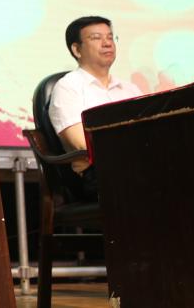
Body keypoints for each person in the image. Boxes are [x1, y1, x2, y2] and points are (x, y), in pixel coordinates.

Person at [48, 15, 141, 201]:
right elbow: (81, 143)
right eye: (97, 38)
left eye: (110, 37)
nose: (107, 43)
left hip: (137, 166)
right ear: (77, 49)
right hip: (97, 175)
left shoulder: (131, 89)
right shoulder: (68, 87)